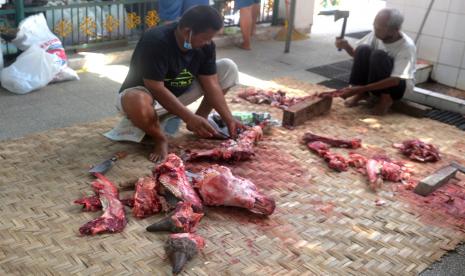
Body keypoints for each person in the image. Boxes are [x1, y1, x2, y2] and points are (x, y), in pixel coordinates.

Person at [116, 5, 244, 163]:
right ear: (187, 31)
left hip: (178, 96)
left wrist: (229, 119)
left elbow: (211, 84)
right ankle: (160, 139)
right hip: (148, 98)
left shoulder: (206, 46)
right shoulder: (156, 40)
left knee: (228, 67)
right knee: (136, 99)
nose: (207, 43)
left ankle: (200, 120)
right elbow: (155, 87)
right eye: (205, 38)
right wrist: (188, 116)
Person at [335, 8, 416, 115]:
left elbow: (395, 80)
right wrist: (346, 47)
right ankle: (363, 94)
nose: (375, 29)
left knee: (378, 55)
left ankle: (385, 99)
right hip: (377, 83)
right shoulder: (376, 34)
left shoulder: (407, 47)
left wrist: (359, 88)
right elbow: (358, 56)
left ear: (394, 30)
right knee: (362, 49)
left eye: (379, 28)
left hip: (397, 88)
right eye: (374, 25)